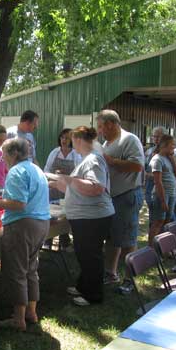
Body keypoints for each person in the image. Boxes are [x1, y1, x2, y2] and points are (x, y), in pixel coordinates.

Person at [0, 138, 50, 331]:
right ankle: (31, 312)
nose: (2, 158)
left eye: (3, 154)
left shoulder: (16, 171)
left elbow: (18, 204)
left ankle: (18, 319)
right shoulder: (36, 169)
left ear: (14, 154)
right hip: (41, 223)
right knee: (30, 269)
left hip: (22, 225)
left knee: (16, 271)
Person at [49, 126, 114, 306]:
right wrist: (56, 184)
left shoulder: (93, 160)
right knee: (83, 253)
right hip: (85, 216)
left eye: (72, 140)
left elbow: (95, 187)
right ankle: (83, 286)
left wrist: (69, 179)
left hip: (93, 217)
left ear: (78, 140)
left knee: (90, 255)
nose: (71, 144)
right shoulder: (87, 159)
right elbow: (77, 188)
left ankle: (93, 295)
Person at [97, 110, 144, 294]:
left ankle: (129, 279)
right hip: (112, 197)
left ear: (110, 124)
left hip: (126, 196)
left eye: (101, 126)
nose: (100, 131)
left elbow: (137, 166)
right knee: (112, 237)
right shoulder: (107, 142)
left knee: (127, 239)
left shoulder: (129, 140)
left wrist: (111, 161)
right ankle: (111, 273)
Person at [44, 128, 82, 249]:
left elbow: (79, 174)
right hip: (54, 188)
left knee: (65, 215)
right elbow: (46, 169)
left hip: (68, 189)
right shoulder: (55, 152)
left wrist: (66, 174)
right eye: (62, 138)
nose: (64, 140)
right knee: (52, 215)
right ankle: (47, 241)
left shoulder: (75, 154)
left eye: (67, 138)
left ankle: (64, 241)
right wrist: (53, 175)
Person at [145, 126, 176, 224]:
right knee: (155, 217)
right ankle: (155, 238)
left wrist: (172, 159)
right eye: (154, 137)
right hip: (151, 188)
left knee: (170, 217)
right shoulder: (149, 151)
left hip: (168, 189)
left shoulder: (174, 152)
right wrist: (153, 175)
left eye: (159, 137)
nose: (156, 139)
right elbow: (143, 170)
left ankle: (172, 238)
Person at [148, 135, 176, 246]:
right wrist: (162, 201)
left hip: (172, 194)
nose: (174, 147)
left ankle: (162, 248)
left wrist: (172, 158)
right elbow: (158, 182)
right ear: (165, 145)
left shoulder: (169, 158)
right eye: (172, 144)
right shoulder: (157, 159)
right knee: (157, 222)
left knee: (167, 222)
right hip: (161, 196)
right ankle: (150, 248)